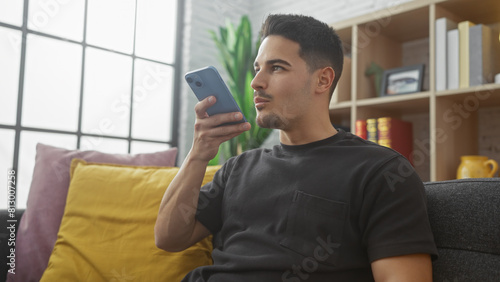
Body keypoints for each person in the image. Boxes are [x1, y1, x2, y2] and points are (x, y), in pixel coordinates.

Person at [155, 14, 438, 282]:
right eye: (257, 69)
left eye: (276, 67)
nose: (256, 83)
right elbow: (169, 238)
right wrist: (198, 154)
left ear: (323, 80)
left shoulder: (382, 172)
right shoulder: (237, 168)